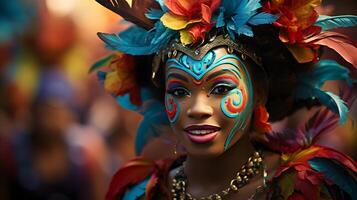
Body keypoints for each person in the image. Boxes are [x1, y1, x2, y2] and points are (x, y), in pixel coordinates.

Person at [92, 0, 357, 199]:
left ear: (259, 94)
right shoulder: (141, 192)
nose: (197, 109)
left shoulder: (310, 188)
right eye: (179, 91)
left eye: (220, 88)